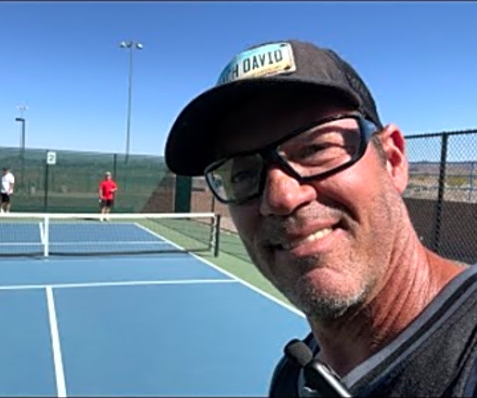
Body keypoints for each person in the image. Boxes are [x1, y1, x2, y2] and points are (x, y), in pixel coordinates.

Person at [164, 39, 476, 397]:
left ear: (392, 161)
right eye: (244, 174)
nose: (280, 197)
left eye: (315, 148)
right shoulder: (292, 379)